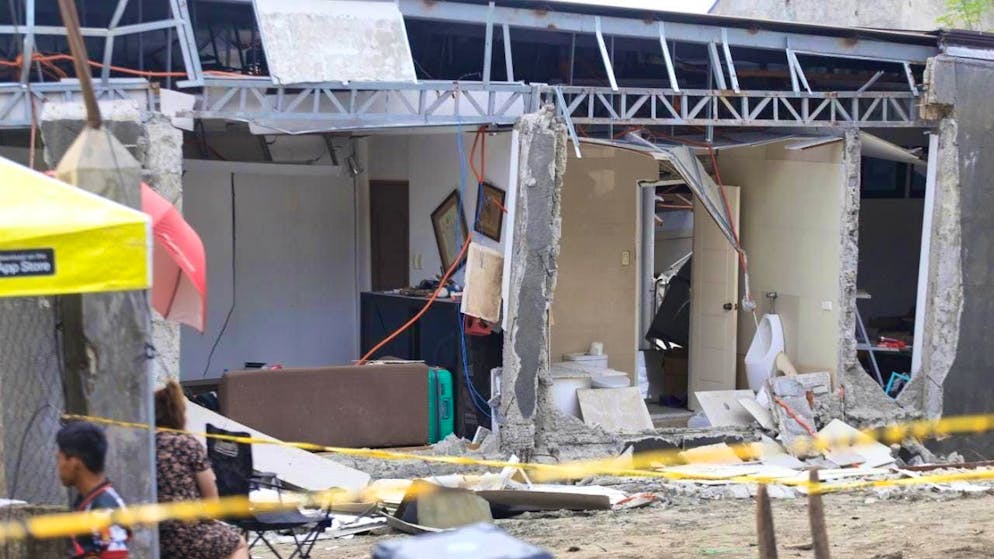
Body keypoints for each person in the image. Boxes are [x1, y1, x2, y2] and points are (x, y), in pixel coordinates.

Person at [154, 380, 249, 559]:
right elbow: (211, 501)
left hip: (149, 535)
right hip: (184, 536)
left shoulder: (141, 445)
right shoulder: (187, 444)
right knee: (237, 543)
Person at [56, 421, 130, 559]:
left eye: (59, 459)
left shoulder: (105, 509)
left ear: (74, 462)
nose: (58, 466)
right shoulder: (88, 501)